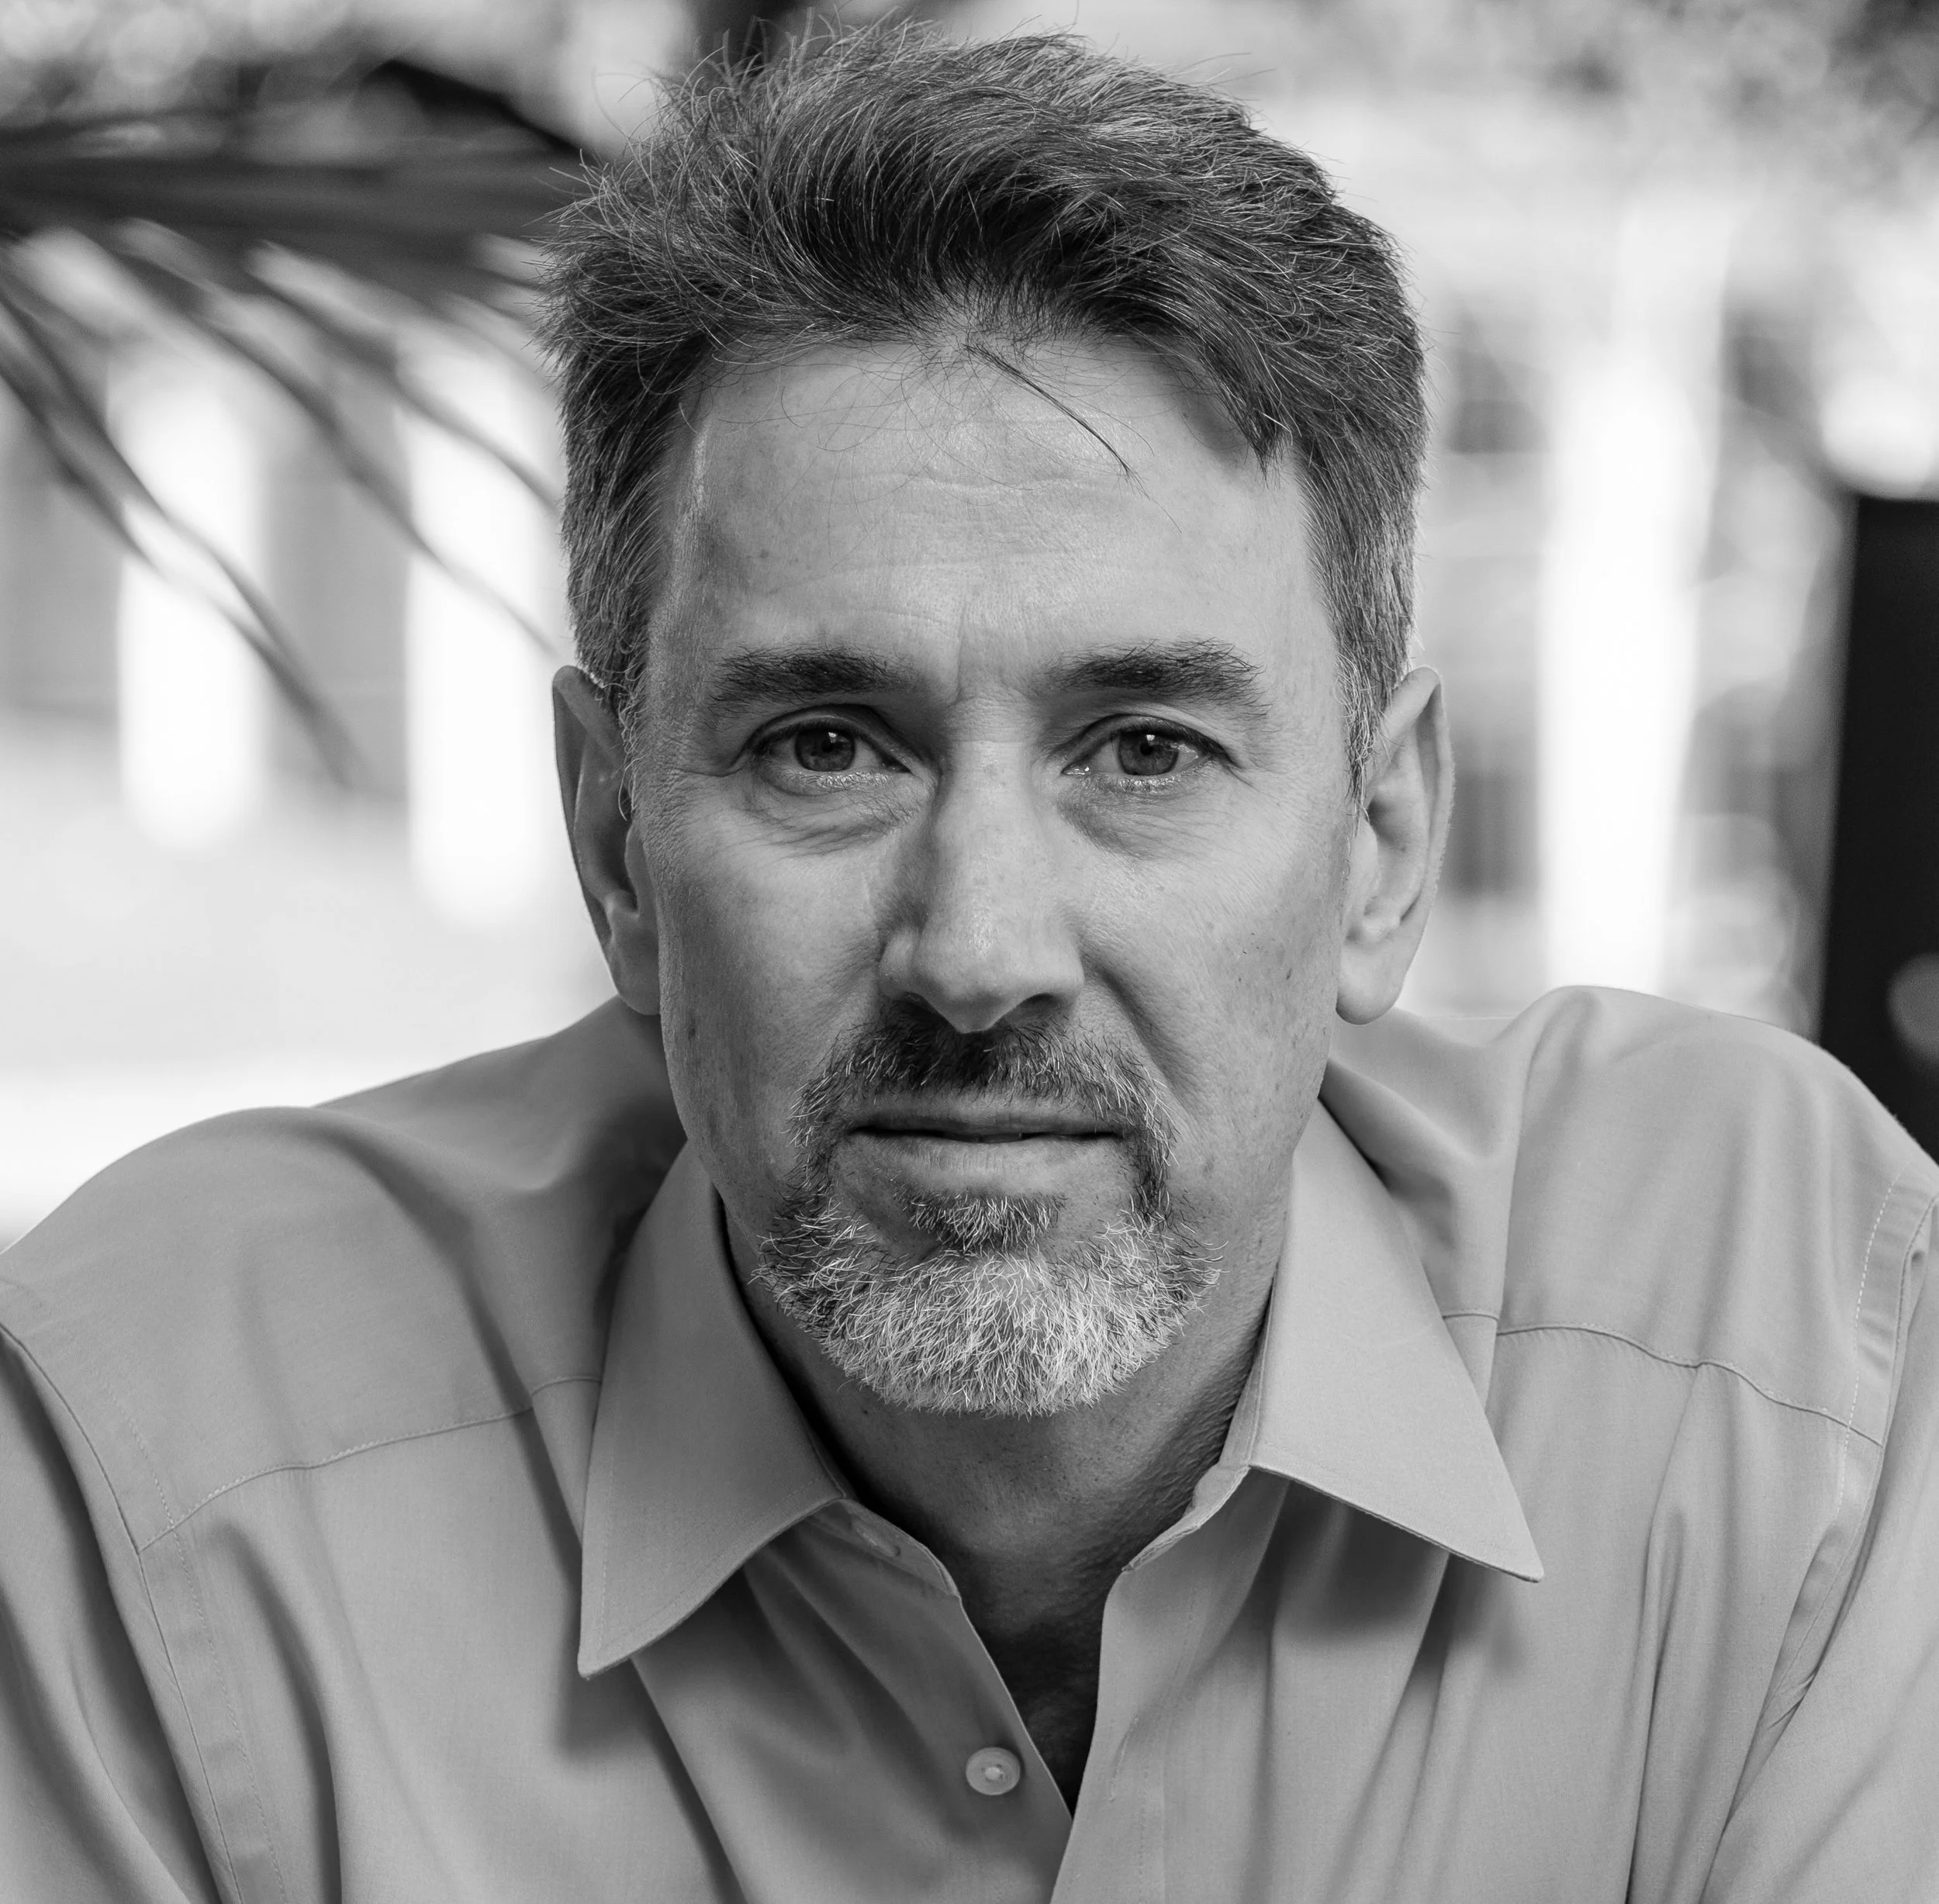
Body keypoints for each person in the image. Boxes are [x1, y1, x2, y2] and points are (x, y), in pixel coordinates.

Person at [2, 26, 1935, 1902]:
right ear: (615, 845)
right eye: (824, 749)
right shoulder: (162, 1461)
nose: (980, 955)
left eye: (1144, 751)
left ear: (1378, 840)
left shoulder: (1793, 1357)